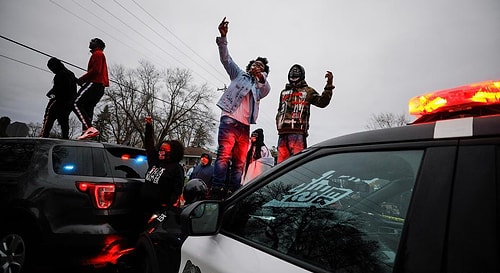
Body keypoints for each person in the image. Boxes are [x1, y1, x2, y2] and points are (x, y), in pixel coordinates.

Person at [211, 17, 271, 199]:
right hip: (229, 119)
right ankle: (217, 189)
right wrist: (223, 38)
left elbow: (266, 89)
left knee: (239, 161)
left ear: (264, 72)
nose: (256, 67)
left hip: (245, 126)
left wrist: (260, 78)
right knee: (224, 155)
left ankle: (233, 191)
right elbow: (226, 59)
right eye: (254, 64)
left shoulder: (260, 87)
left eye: (260, 66)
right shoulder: (239, 75)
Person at [276, 64, 335, 163]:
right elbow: (280, 109)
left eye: (297, 72)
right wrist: (278, 123)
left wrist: (328, 86)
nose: (294, 75)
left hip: (298, 132)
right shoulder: (283, 92)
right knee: (281, 165)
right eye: (292, 73)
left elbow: (322, 102)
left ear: (302, 75)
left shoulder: (308, 91)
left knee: (297, 163)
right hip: (282, 133)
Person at [140, 116, 185, 220]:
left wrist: (167, 207)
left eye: (165, 149)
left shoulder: (176, 168)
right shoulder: (155, 161)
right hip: (144, 206)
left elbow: (176, 191)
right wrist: (149, 126)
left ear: (173, 152)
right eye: (160, 149)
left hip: (160, 210)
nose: (161, 151)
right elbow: (149, 144)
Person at [74, 38, 109, 140]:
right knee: (87, 108)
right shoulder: (99, 54)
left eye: (93, 41)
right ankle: (86, 133)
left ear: (98, 44)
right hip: (99, 87)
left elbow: (96, 70)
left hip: (95, 84)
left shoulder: (98, 54)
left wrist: (82, 79)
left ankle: (89, 128)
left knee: (75, 103)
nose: (90, 42)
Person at [40, 57, 77, 139]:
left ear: (55, 66)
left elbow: (57, 89)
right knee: (64, 122)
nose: (52, 70)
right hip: (68, 103)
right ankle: (65, 138)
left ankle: (43, 137)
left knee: (48, 119)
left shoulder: (60, 75)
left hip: (58, 102)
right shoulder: (71, 74)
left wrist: (51, 95)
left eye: (51, 68)